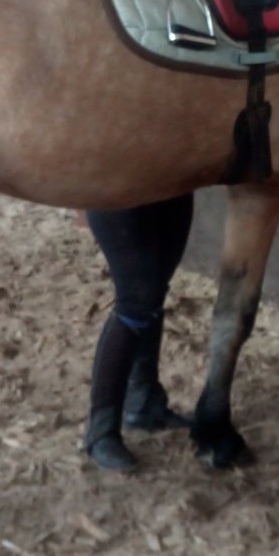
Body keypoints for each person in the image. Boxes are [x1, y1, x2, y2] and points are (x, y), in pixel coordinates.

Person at [81, 193, 195, 470]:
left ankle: (144, 402)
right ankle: (101, 431)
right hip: (122, 187)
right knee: (135, 301)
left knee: (154, 292)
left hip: (176, 185)